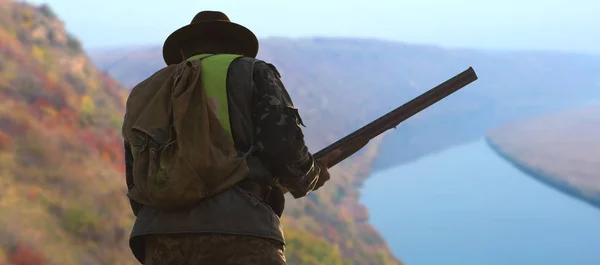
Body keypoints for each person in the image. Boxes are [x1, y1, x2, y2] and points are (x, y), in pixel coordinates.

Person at [122, 10, 341, 265]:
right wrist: (312, 174)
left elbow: (136, 178)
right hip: (242, 233)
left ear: (183, 52)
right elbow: (282, 146)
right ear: (235, 48)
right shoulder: (252, 71)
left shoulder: (145, 92)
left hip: (158, 240)